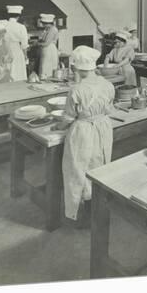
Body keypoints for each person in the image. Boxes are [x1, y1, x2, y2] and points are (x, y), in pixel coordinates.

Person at [57, 45, 115, 226]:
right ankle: (98, 211)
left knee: (79, 170)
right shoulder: (107, 84)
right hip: (103, 128)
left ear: (76, 68)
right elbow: (109, 108)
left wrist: (58, 126)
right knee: (100, 166)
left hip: (83, 131)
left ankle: (85, 217)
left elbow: (68, 117)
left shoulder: (76, 90)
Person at [4, 5, 29, 81]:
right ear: (18, 16)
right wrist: (25, 56)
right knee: (18, 73)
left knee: (8, 72)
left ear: (8, 15)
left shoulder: (4, 25)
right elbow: (24, 45)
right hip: (17, 50)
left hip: (5, 50)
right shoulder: (21, 27)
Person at [38, 13, 59, 79]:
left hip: (50, 50)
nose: (43, 25)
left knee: (47, 67)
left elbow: (46, 43)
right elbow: (42, 40)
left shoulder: (53, 30)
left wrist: (37, 44)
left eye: (44, 24)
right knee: (44, 67)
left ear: (47, 23)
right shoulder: (47, 29)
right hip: (46, 50)